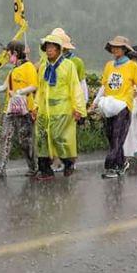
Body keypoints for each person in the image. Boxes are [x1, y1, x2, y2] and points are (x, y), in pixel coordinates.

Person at [29, 30, 86, 180]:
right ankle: (45, 170)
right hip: (44, 109)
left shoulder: (68, 66)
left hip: (62, 109)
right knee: (41, 138)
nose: (49, 49)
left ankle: (68, 162)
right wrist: (35, 107)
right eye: (47, 47)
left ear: (59, 49)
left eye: (52, 47)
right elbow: (40, 89)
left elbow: (75, 87)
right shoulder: (43, 67)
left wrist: (78, 108)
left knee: (59, 137)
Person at [93, 36, 137, 178]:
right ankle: (121, 162)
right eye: (113, 47)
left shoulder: (132, 66)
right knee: (111, 137)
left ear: (124, 50)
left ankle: (111, 166)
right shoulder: (109, 65)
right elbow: (104, 86)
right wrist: (95, 102)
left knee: (117, 136)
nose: (115, 49)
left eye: (118, 47)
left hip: (123, 106)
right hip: (109, 106)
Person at [0, 40, 37, 179]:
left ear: (15, 53)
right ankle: (0, 169)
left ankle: (33, 166)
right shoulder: (12, 71)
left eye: (9, 54)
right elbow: (4, 88)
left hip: (24, 110)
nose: (8, 57)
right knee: (5, 137)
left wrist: (19, 92)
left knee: (25, 141)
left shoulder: (29, 67)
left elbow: (34, 86)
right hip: (9, 110)